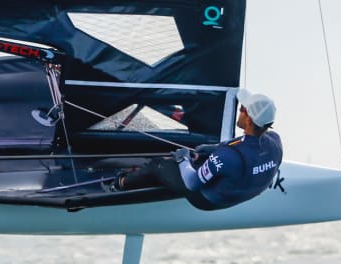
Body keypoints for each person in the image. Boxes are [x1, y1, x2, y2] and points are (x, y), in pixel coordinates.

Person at [114, 89, 283, 210]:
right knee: (202, 161)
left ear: (249, 120)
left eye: (242, 109)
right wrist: (208, 149)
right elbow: (245, 145)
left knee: (158, 165)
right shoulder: (275, 142)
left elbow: (192, 183)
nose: (239, 111)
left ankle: (119, 184)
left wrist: (183, 159)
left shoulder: (226, 157)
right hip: (237, 192)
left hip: (205, 200)